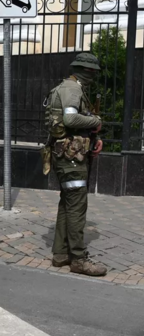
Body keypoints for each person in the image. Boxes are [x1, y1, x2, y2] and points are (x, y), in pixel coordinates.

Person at [44, 53, 106, 276]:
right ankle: (78, 259)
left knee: (68, 203)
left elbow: (73, 124)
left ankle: (60, 254)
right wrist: (96, 122)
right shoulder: (72, 89)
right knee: (77, 206)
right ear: (85, 71)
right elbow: (70, 120)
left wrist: (94, 139)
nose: (93, 75)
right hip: (71, 158)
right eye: (92, 71)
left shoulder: (70, 87)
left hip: (69, 155)